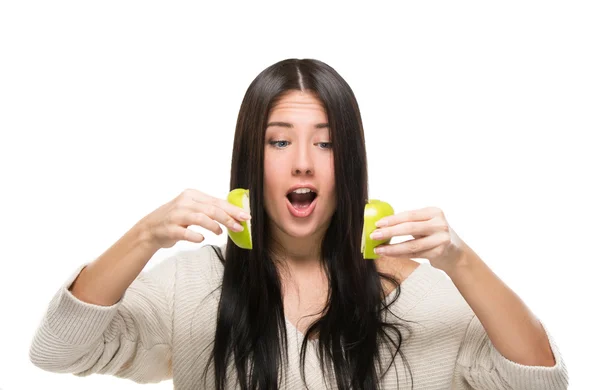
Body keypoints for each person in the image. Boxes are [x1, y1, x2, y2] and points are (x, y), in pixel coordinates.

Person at [29, 58, 568, 389]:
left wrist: (460, 259)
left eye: (326, 141)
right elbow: (56, 351)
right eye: (279, 140)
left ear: (350, 161)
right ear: (251, 159)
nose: (304, 161)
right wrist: (146, 236)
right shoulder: (188, 285)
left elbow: (544, 383)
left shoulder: (426, 296)